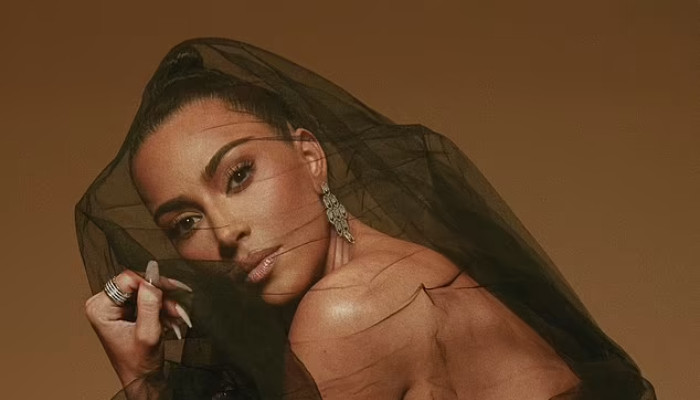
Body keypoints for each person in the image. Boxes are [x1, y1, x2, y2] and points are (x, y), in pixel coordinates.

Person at [77, 38, 655, 399]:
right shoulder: (407, 275)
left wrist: (141, 382)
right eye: (184, 223)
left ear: (310, 158)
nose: (225, 233)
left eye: (239, 175)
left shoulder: (351, 312)